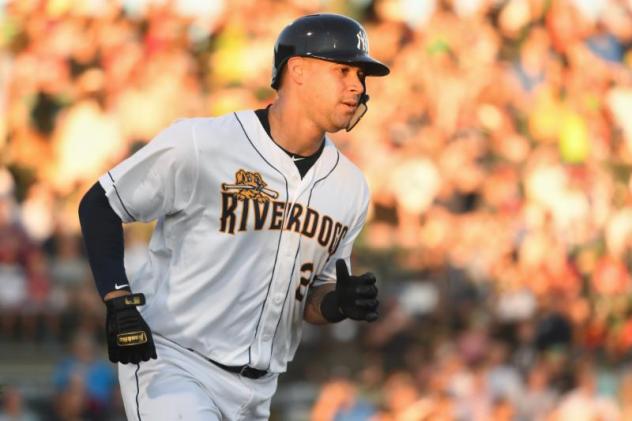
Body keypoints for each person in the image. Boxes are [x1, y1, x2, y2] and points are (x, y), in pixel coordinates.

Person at [78, 13, 388, 420]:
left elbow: (309, 300)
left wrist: (337, 304)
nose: (357, 86)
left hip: (258, 391)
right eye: (343, 70)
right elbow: (101, 203)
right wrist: (118, 299)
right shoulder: (204, 143)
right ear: (297, 71)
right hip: (174, 363)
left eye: (361, 76)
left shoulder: (350, 188)